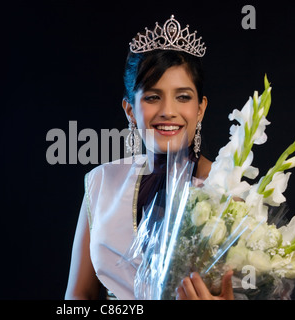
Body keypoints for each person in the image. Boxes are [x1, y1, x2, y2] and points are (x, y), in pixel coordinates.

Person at [65, 15, 234, 300]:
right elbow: (77, 298)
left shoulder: (230, 192)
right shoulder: (102, 182)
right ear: (130, 110)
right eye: (153, 97)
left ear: (200, 109)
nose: (168, 110)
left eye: (183, 97)